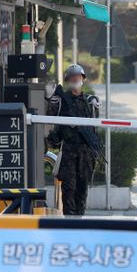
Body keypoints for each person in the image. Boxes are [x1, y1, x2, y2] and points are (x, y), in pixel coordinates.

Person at [45, 64, 101, 215]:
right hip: (69, 150)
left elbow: (95, 124)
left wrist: (96, 107)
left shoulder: (90, 101)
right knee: (69, 187)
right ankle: (69, 220)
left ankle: (79, 220)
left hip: (86, 152)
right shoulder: (61, 100)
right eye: (72, 77)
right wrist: (51, 101)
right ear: (68, 81)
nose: (75, 79)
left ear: (83, 79)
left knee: (82, 188)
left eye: (78, 76)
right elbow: (50, 117)